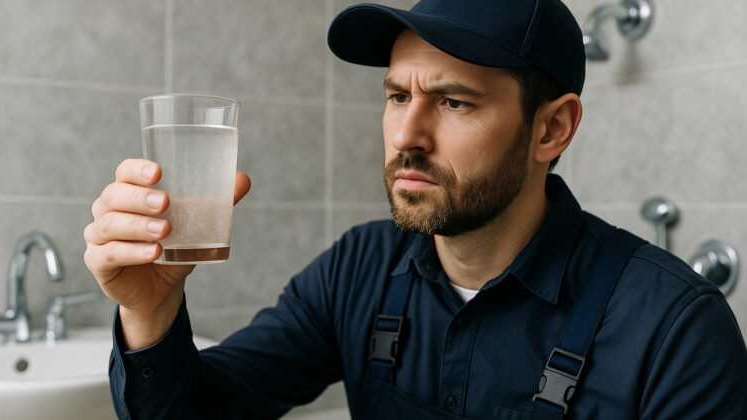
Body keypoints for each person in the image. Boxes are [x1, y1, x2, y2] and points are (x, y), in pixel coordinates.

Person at [84, 0, 747, 419]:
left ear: (551, 130)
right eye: (398, 96)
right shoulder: (360, 268)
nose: (406, 136)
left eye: (454, 101)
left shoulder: (676, 331)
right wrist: (150, 310)